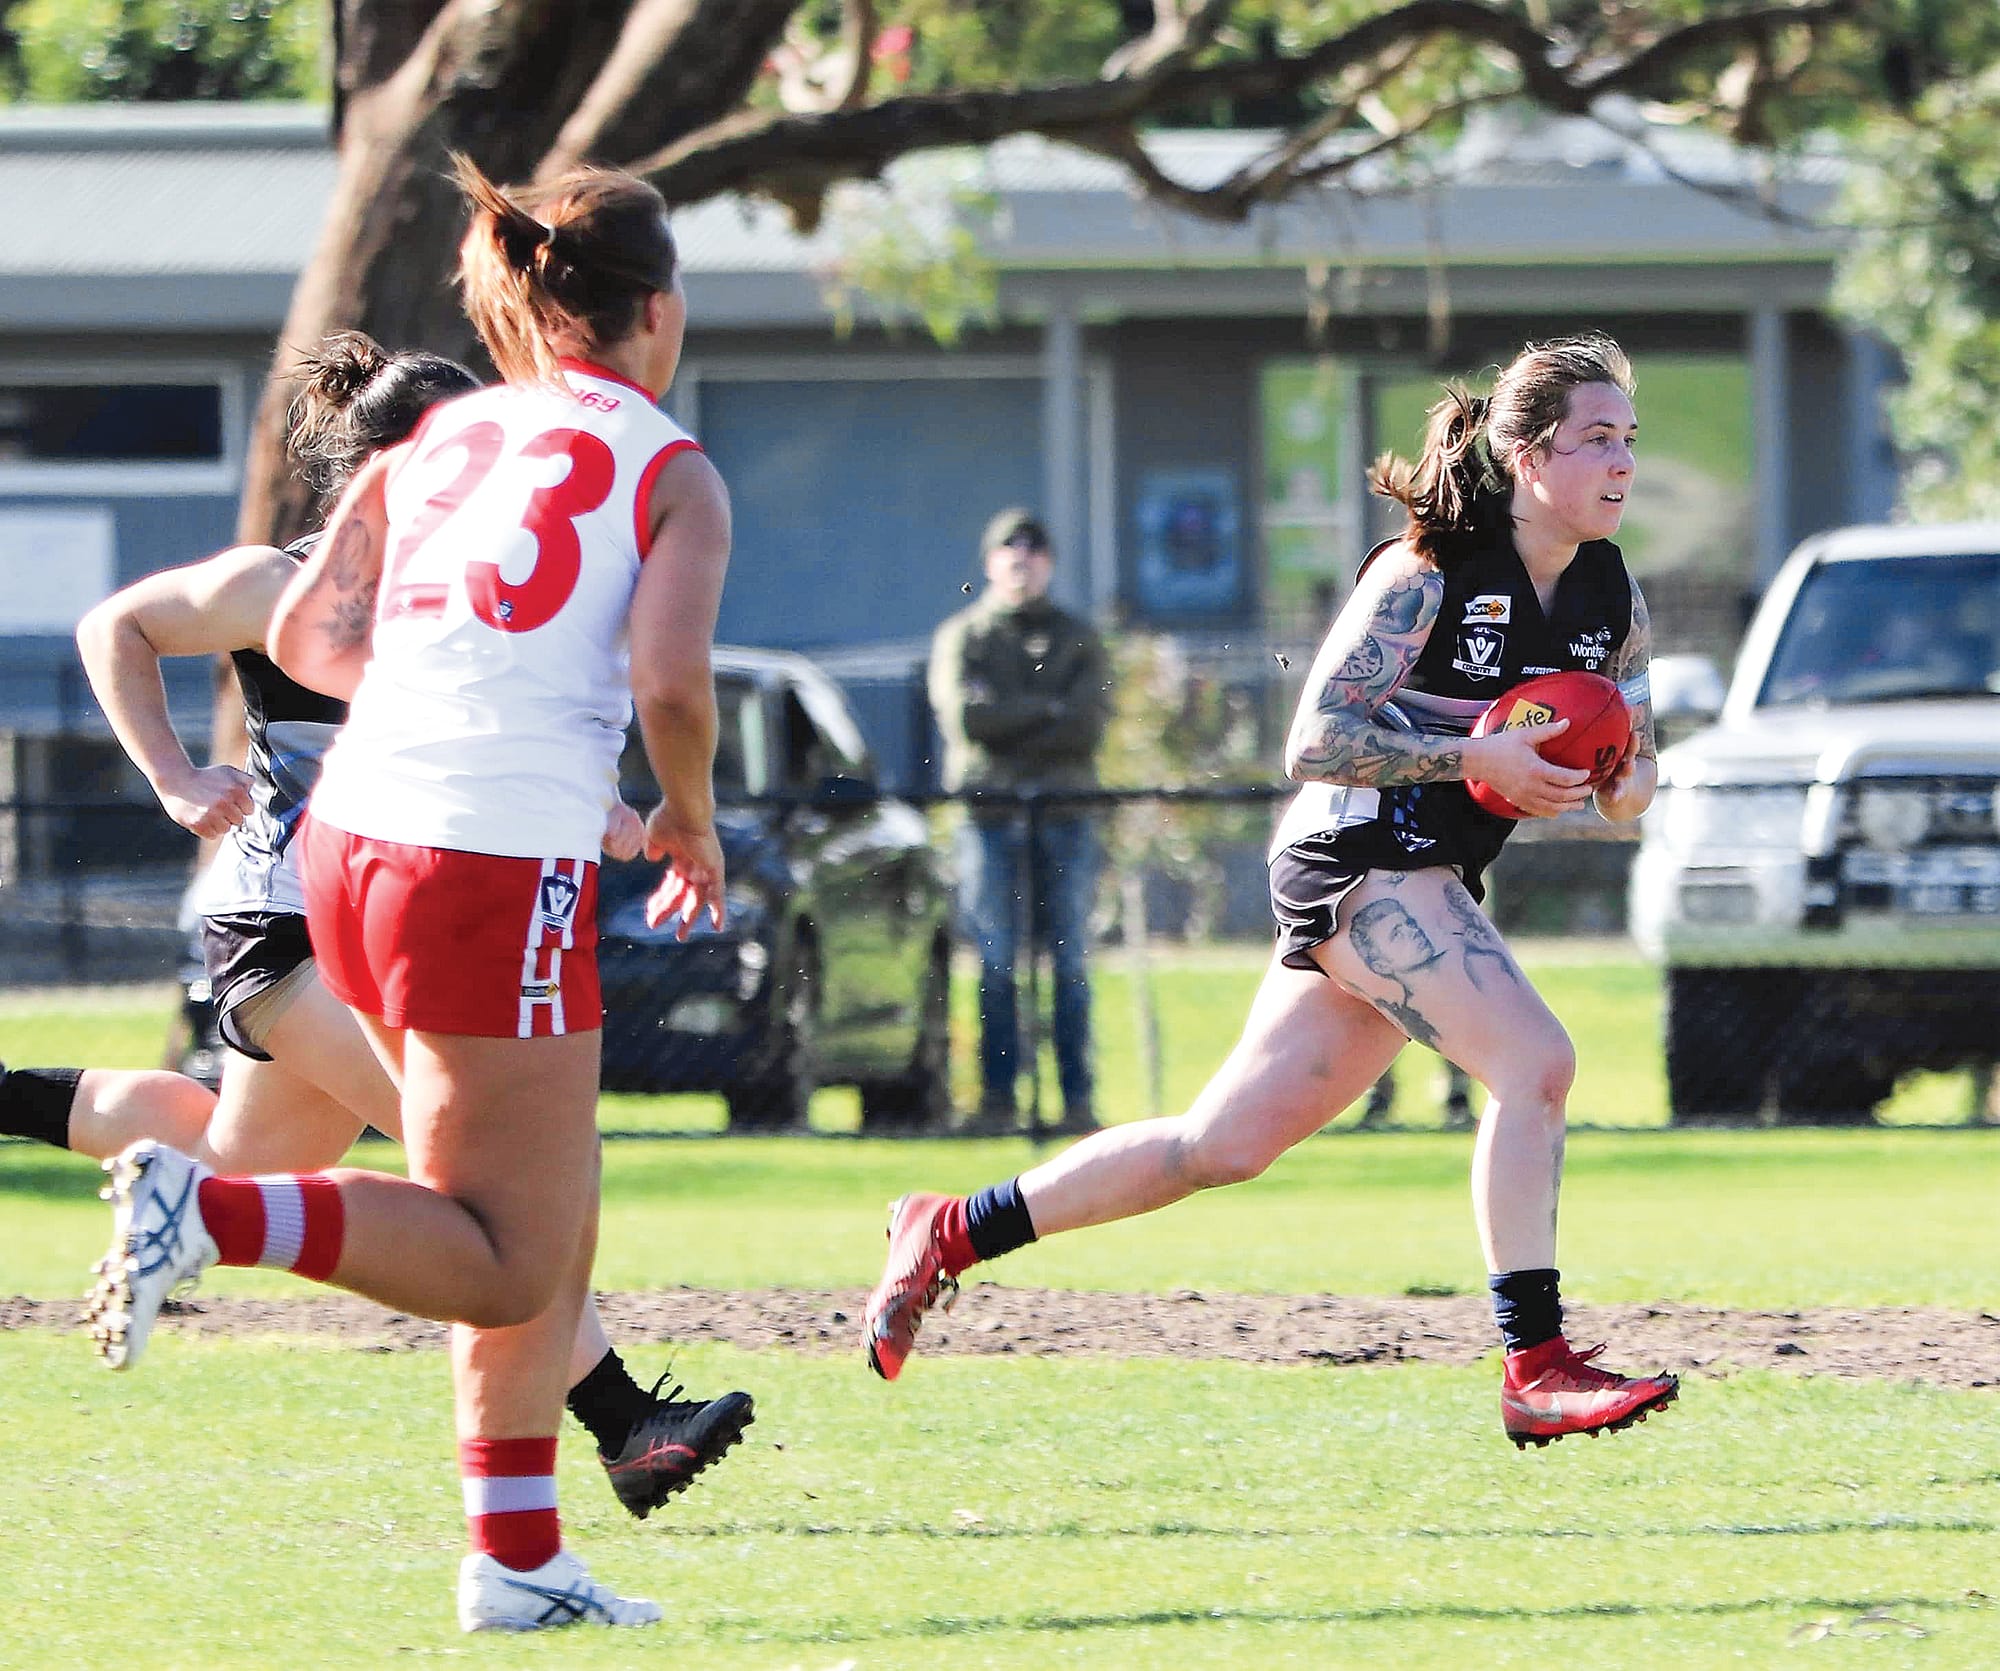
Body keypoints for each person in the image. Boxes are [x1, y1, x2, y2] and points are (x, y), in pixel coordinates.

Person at [83, 157, 732, 1631]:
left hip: (349, 848)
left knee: (543, 1208)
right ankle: (209, 1213)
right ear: (657, 309)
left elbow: (317, 634)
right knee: (505, 1255)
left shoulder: (447, 439)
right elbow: (672, 684)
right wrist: (687, 821)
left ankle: (518, 1561)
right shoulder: (668, 463)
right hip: (485, 861)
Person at [865, 335, 1680, 1451]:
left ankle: (953, 1229)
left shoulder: (1610, 592)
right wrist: (1473, 760)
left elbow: (1637, 769)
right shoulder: (1427, 572)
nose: (1622, 461)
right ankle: (1534, 1366)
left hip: (1427, 874)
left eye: (1629, 438)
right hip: (1353, 854)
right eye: (1596, 439)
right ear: (1528, 457)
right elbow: (1314, 740)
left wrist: (1617, 780)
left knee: (1218, 1146)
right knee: (1535, 1063)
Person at [928, 508, 1112, 1133]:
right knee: (995, 959)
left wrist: (1014, 716)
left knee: (1070, 960)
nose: (1021, 563)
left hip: (1065, 814)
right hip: (989, 816)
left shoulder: (1078, 637)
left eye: (1033, 553)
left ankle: (1077, 1101)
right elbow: (968, 722)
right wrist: (1048, 710)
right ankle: (997, 1101)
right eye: (1009, 552)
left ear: (1049, 563)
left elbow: (1087, 726)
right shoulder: (966, 638)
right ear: (989, 564)